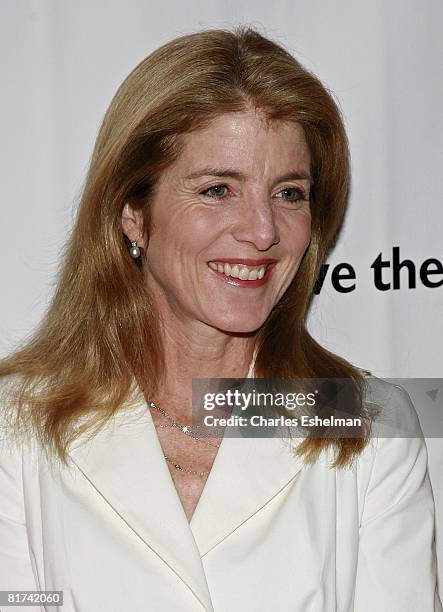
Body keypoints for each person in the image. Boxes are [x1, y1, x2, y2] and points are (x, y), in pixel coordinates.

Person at [0, 27, 440, 612]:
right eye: (217, 190)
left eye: (288, 193)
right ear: (133, 214)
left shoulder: (368, 425)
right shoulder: (19, 425)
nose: (262, 231)